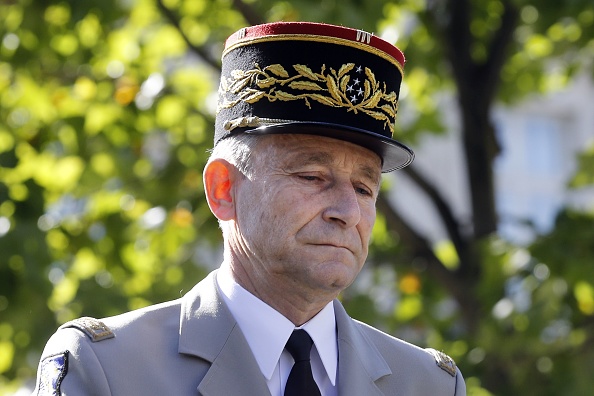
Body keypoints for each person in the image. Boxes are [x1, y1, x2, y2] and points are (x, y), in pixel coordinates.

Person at [33, 21, 465, 395]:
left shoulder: (428, 384)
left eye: (365, 188)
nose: (347, 212)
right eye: (312, 177)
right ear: (223, 188)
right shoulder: (109, 370)